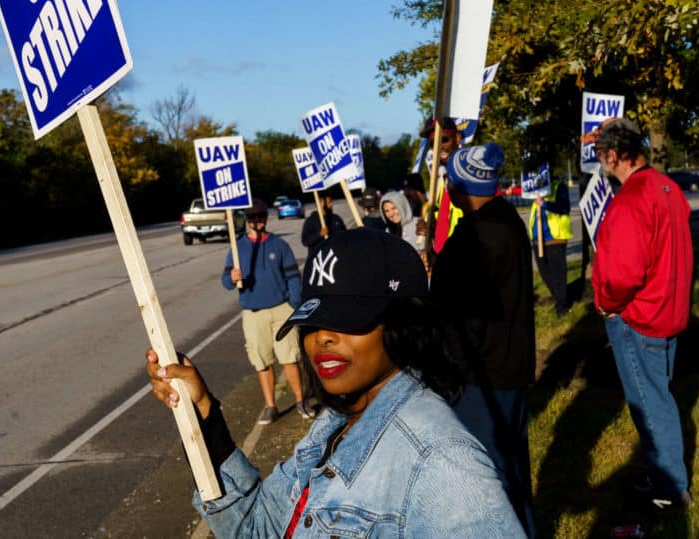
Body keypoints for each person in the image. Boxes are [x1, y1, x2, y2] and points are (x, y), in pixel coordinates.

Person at [147, 229, 526, 538]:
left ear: (403, 324)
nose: (322, 338)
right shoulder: (337, 422)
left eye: (349, 318)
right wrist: (202, 413)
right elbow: (256, 527)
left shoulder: (443, 464)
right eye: (313, 320)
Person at [430, 143, 537, 537]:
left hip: (480, 375)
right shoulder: (503, 220)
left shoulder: (478, 237)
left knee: (485, 479)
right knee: (511, 470)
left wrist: (446, 370)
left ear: (459, 185)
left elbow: (463, 314)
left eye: (448, 182)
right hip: (507, 366)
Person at [591, 118, 693, 510]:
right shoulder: (667, 188)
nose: (599, 161)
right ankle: (664, 477)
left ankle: (670, 489)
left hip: (640, 317)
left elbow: (624, 273)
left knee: (651, 405)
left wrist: (607, 302)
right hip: (667, 308)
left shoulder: (632, 199)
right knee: (659, 397)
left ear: (615, 155)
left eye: (601, 154)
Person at [222, 201, 314, 425]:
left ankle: (301, 401)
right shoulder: (237, 248)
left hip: (282, 309)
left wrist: (295, 306)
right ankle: (271, 406)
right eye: (252, 217)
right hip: (253, 314)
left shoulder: (279, 245)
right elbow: (226, 282)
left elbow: (293, 277)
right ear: (246, 219)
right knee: (262, 361)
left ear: (266, 217)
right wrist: (232, 278)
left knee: (290, 358)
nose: (257, 221)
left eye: (261, 216)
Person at [528, 178, 573, 316]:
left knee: (558, 274)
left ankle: (562, 306)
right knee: (545, 274)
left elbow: (564, 208)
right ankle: (559, 298)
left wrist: (545, 204)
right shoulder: (535, 191)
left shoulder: (559, 186)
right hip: (538, 241)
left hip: (554, 238)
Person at [421, 117, 463, 253]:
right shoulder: (441, 182)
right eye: (433, 143)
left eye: (444, 139)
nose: (439, 147)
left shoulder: (471, 175)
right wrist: (430, 228)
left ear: (457, 138)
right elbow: (444, 224)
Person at [300, 193, 346, 258]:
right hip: (318, 258)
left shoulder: (336, 219)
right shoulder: (310, 221)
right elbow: (305, 241)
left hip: (336, 257)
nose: (331, 205)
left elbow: (345, 235)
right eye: (329, 202)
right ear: (321, 204)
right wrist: (319, 234)